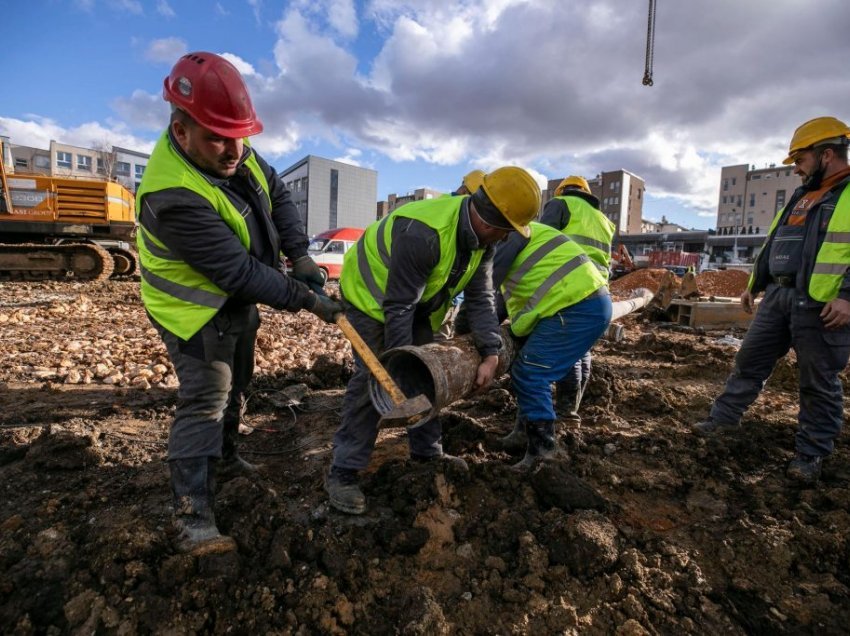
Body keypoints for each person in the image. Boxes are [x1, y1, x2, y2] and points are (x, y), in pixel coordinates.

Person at [136, 52, 342, 553]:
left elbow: (276, 192)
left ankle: (226, 457)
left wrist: (299, 254)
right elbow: (238, 272)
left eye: (239, 136)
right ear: (181, 133)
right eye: (217, 138)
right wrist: (308, 302)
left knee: (240, 381)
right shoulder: (172, 194)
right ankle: (192, 514)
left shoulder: (233, 146)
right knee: (206, 399)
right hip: (194, 310)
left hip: (237, 301)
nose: (234, 150)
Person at [326, 166, 541, 514]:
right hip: (370, 300)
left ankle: (427, 455)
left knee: (427, 373)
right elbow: (398, 307)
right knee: (375, 378)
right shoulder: (425, 233)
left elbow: (482, 297)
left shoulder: (481, 242)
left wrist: (490, 352)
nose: (506, 239)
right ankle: (344, 472)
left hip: (417, 305)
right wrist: (398, 364)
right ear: (490, 220)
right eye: (506, 231)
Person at [693, 116, 850, 484]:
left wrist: (847, 297)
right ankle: (722, 422)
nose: (796, 169)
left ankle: (811, 455)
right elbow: (776, 243)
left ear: (827, 154)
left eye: (801, 160)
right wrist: (755, 282)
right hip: (779, 296)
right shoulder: (801, 195)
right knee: (749, 361)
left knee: (818, 380)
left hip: (822, 304)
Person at [475, 221, 612, 467]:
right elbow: (501, 302)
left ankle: (543, 451)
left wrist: (472, 336)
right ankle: (522, 435)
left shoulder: (506, 236)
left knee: (530, 372)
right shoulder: (526, 232)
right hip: (585, 302)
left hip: (574, 306)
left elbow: (483, 294)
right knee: (538, 365)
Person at [535, 175, 615, 428]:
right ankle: (570, 411)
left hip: (568, 284)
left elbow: (541, 241)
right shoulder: (604, 220)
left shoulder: (560, 204)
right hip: (597, 288)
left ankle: (566, 415)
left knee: (564, 350)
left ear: (562, 191)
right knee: (581, 350)